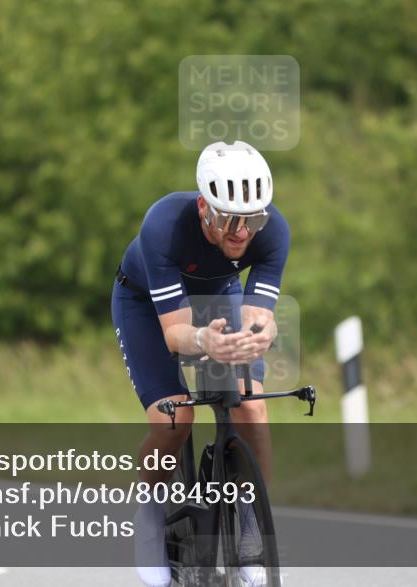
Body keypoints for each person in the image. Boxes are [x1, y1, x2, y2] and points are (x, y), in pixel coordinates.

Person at [112, 140, 289, 586]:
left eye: (253, 219)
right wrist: (203, 340)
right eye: (230, 219)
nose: (242, 232)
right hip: (147, 305)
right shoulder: (164, 226)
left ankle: (251, 525)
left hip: (216, 294)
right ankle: (150, 513)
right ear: (203, 208)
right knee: (176, 418)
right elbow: (175, 335)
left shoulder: (274, 231)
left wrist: (259, 336)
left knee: (250, 404)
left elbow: (256, 315)